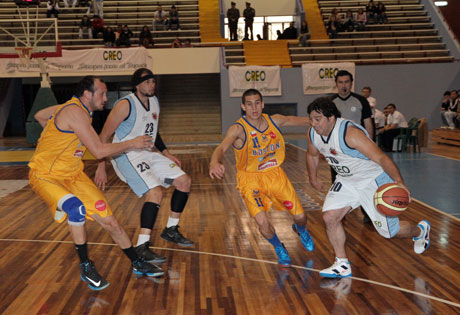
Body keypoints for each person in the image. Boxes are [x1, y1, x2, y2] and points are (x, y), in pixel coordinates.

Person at [29, 76, 164, 291]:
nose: (105, 98)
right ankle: (86, 266)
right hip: (47, 175)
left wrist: (57, 120)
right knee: (76, 209)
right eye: (101, 93)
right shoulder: (74, 112)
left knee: (111, 222)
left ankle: (136, 262)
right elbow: (99, 151)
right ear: (87, 94)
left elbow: (39, 115)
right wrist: (132, 143)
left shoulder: (78, 110)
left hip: (74, 176)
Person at [306, 97, 430, 278]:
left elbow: (382, 158)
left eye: (317, 119)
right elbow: (312, 155)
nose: (313, 123)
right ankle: (341, 264)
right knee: (330, 217)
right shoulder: (313, 133)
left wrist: (399, 181)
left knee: (390, 232)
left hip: (372, 180)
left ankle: (421, 231)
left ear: (331, 118)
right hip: (347, 181)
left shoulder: (350, 134)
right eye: (311, 119)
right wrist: (313, 177)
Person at [95, 68, 194, 265]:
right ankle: (142, 245)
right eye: (147, 82)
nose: (151, 85)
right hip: (125, 155)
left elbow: (154, 133)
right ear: (137, 85)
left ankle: (171, 229)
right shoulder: (125, 105)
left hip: (148, 152)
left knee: (184, 181)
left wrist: (166, 154)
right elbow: (103, 137)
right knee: (155, 192)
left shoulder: (155, 102)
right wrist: (101, 166)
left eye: (153, 81)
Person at [209, 89, 315, 267]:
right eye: (249, 104)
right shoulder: (238, 129)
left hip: (275, 175)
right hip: (249, 180)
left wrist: (324, 120)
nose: (254, 107)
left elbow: (307, 121)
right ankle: (278, 246)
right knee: (262, 222)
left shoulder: (275, 120)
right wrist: (214, 162)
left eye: (257, 102)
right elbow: (221, 148)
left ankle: (300, 229)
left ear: (263, 104)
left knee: (301, 216)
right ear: (243, 107)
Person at [332, 70, 373, 224]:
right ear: (336, 84)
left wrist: (370, 147)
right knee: (338, 182)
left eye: (347, 82)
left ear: (351, 83)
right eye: (341, 82)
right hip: (337, 152)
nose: (344, 85)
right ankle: (339, 213)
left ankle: (368, 212)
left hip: (358, 150)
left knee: (363, 182)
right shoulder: (330, 103)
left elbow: (368, 124)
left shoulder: (361, 100)